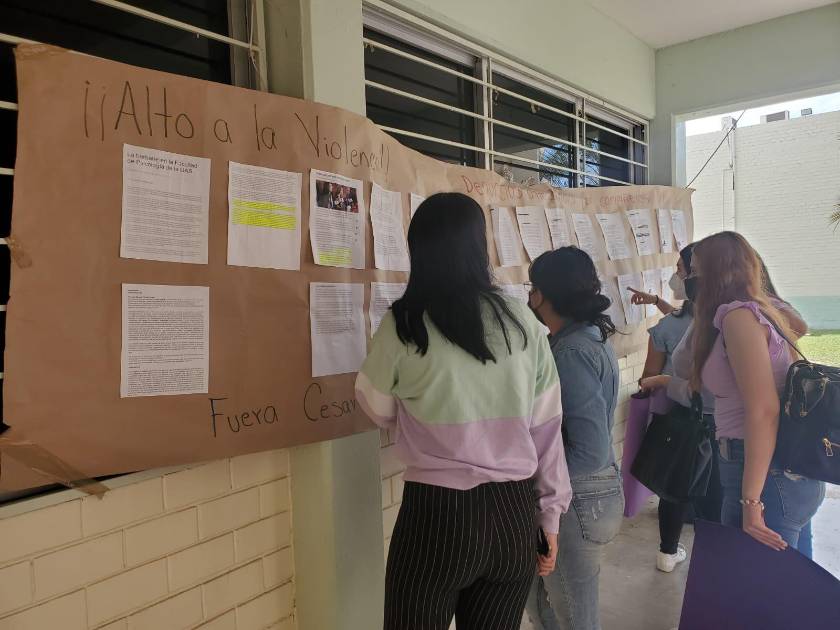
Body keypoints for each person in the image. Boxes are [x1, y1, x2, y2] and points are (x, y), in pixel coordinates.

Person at [355, 192, 572, 630]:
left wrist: (417, 416)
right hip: (513, 516)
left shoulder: (404, 324)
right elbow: (548, 430)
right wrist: (549, 517)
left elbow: (373, 405)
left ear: (419, 250)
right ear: (479, 246)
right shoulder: (523, 321)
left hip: (436, 516)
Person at [690, 231, 825, 551]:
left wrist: (751, 502)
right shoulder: (762, 311)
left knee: (757, 577)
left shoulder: (739, 318)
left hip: (763, 473)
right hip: (778, 468)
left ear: (715, 272)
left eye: (695, 271)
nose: (690, 280)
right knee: (791, 575)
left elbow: (764, 410)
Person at [524, 247, 623, 630]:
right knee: (542, 602)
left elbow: (589, 448)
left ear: (545, 295)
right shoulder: (583, 339)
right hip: (584, 496)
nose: (529, 296)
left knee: (574, 616)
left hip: (577, 500)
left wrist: (537, 474)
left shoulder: (571, 352)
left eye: (533, 288)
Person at [637, 244, 723, 573]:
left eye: (683, 270)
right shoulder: (706, 318)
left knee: (677, 489)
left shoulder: (706, 322)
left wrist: (663, 381)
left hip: (688, 418)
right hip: (709, 423)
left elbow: (651, 377)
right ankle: (710, 559)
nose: (679, 277)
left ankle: (670, 551)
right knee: (709, 493)